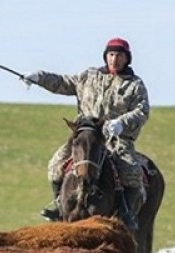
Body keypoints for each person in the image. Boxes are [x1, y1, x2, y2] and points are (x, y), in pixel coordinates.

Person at [24, 37, 150, 230]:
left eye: (119, 55)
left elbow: (142, 111)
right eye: (111, 54)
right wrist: (38, 78)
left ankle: (127, 213)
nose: (114, 59)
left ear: (127, 59)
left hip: (115, 137)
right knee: (56, 165)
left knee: (132, 172)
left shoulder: (134, 85)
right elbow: (63, 82)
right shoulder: (88, 76)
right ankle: (58, 206)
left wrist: (121, 123)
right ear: (106, 56)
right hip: (86, 133)